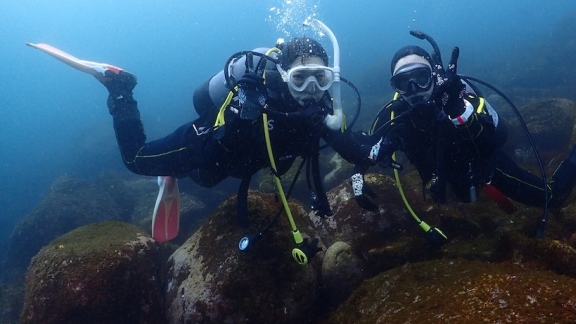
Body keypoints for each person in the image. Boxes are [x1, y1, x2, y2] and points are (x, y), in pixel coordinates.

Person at [349, 33, 576, 241]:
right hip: (455, 180)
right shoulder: (395, 117)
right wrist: (357, 176)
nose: (413, 89)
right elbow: (366, 149)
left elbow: (499, 136)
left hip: (489, 170)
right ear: (395, 87)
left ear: (434, 75)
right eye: (403, 83)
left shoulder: (459, 96)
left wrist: (458, 112)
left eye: (420, 78)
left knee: (554, 197)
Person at [100, 31, 378, 262]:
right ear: (284, 75)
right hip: (208, 143)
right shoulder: (259, 98)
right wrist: (246, 113)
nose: (311, 88)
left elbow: (355, 152)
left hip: (240, 163)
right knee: (136, 160)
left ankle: (175, 174)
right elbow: (215, 148)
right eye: (300, 77)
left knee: (207, 179)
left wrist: (368, 162)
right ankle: (121, 90)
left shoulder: (323, 111)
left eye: (320, 77)